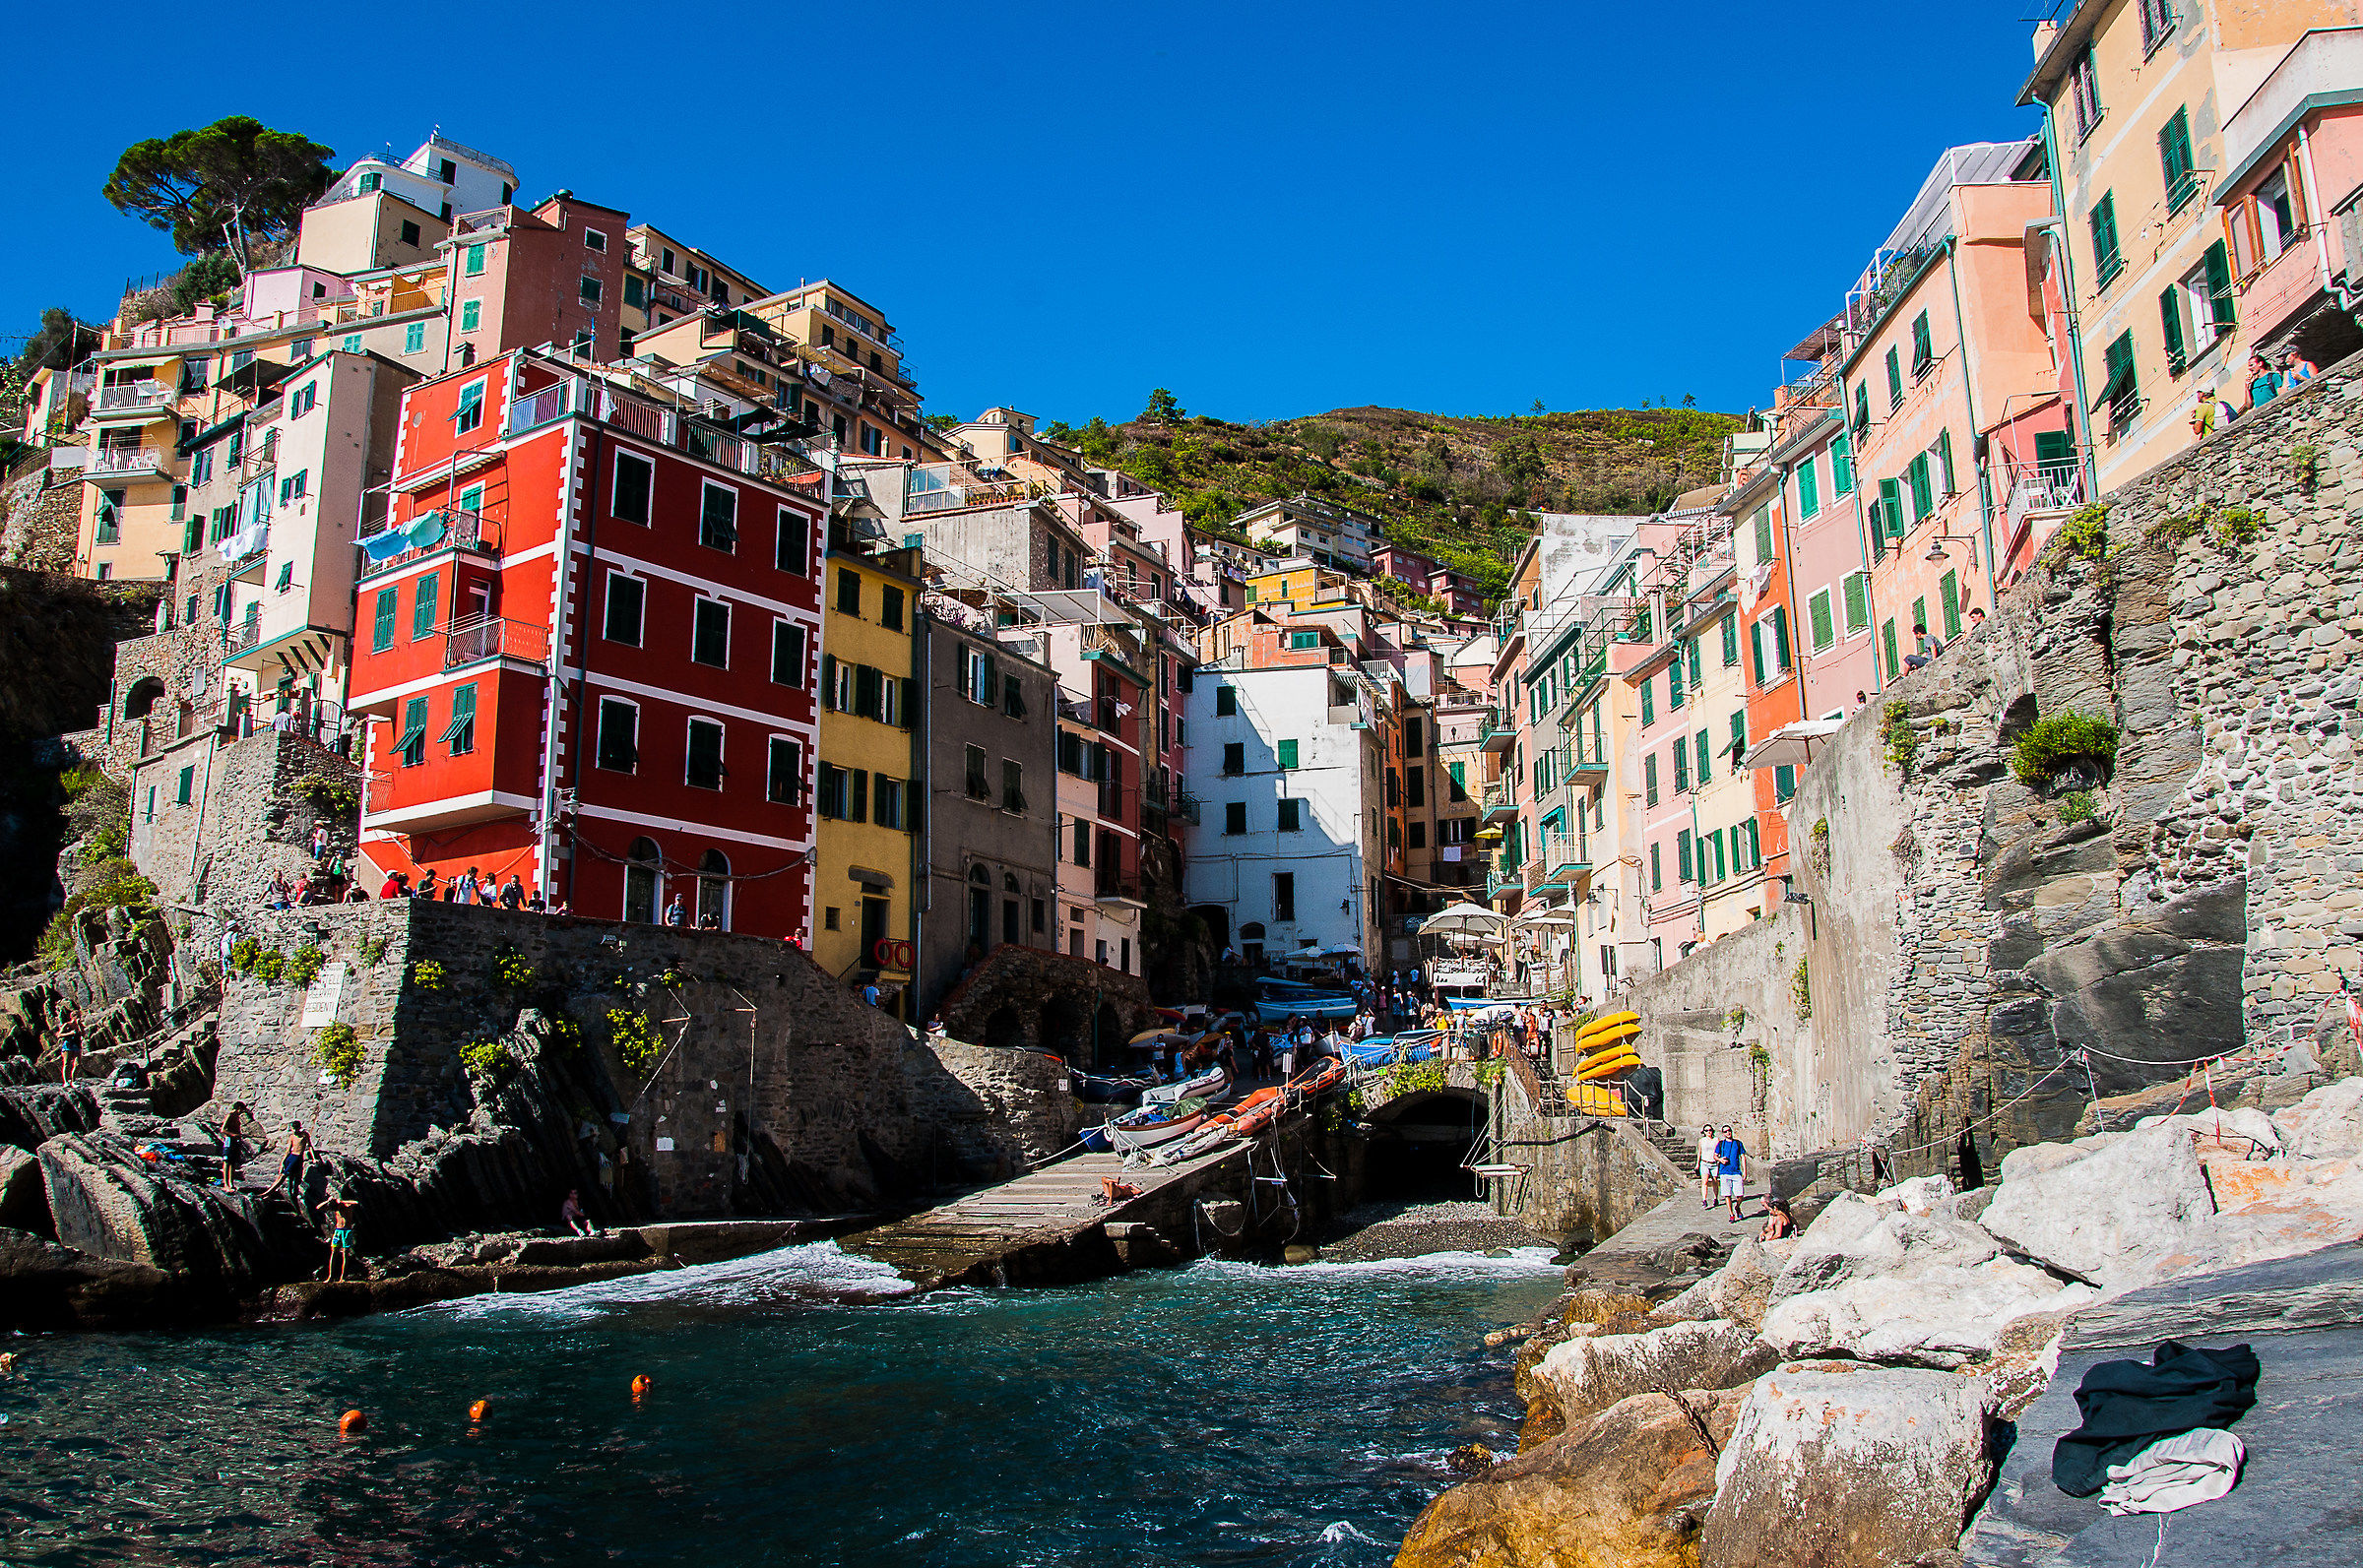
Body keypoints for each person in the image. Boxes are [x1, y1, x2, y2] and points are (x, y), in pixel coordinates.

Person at [263, 1122, 313, 1219]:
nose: (294, 1131)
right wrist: (282, 1162)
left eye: (296, 1129)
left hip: (298, 1158)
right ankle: (267, 1193)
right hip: (291, 1158)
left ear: (299, 1128)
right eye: (293, 1129)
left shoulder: (304, 1135)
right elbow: (288, 1150)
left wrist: (314, 1157)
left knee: (295, 1184)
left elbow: (310, 1146)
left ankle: (297, 1209)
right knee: (283, 1178)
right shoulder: (292, 1137)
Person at [1715, 1124, 1749, 1223]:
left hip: (1736, 1172)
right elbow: (1715, 1156)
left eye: (1729, 1130)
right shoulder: (1721, 1144)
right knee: (1727, 1194)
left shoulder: (1738, 1143)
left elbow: (1742, 1156)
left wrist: (1744, 1171)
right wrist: (1720, 1160)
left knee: (1740, 1195)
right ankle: (1731, 1214)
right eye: (1725, 1131)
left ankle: (1737, 1207)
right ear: (1723, 1133)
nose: (1728, 1132)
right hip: (1724, 1172)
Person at [325, 1192, 360, 1283]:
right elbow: (318, 1207)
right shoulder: (335, 1208)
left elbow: (356, 1202)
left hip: (347, 1231)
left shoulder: (346, 1206)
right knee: (334, 1252)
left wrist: (341, 1201)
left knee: (345, 1253)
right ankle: (330, 1276)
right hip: (338, 1231)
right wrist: (328, 1201)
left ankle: (343, 1277)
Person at [219, 1100, 252, 1188]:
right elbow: (223, 1129)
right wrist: (233, 1135)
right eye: (242, 1110)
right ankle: (226, 1183)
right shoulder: (230, 1116)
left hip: (235, 1141)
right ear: (239, 1108)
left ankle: (231, 1183)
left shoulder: (237, 1117)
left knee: (233, 1162)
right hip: (229, 1140)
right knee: (227, 1161)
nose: (242, 1112)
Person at [56, 1009, 84, 1085]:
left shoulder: (79, 1025)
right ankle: (66, 1081)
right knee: (67, 1063)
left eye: (80, 1016)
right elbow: (59, 1035)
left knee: (78, 1064)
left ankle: (73, 1080)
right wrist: (70, 1033)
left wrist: (79, 1025)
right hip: (68, 1045)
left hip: (77, 1045)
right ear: (73, 1017)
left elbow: (83, 1034)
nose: (79, 1018)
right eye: (77, 1016)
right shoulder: (67, 1025)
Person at [1698, 1125, 1721, 1209]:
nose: (1709, 1132)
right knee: (1705, 1181)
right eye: (1706, 1130)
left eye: (1710, 1130)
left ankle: (1715, 1198)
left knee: (1715, 1181)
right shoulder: (1702, 1141)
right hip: (1704, 1162)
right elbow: (1699, 1152)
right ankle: (1704, 1200)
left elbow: (1719, 1151)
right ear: (1704, 1132)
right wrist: (1698, 1163)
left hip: (1714, 1163)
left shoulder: (1716, 1140)